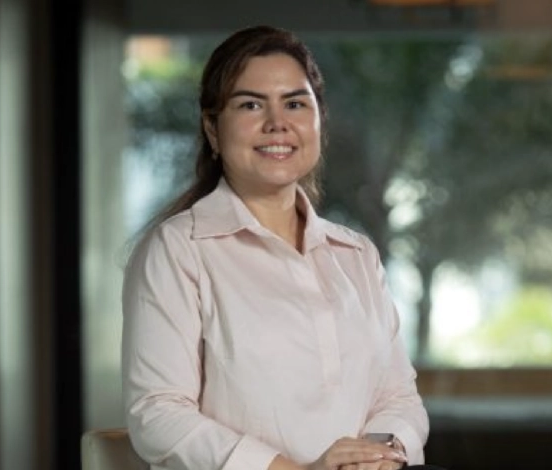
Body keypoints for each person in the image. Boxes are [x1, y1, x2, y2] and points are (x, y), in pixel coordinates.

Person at [122, 25, 442, 470]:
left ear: (318, 121)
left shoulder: (355, 254)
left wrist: (377, 456)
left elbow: (399, 398)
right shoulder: (178, 250)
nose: (277, 123)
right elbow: (158, 414)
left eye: (294, 104)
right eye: (250, 105)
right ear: (212, 129)